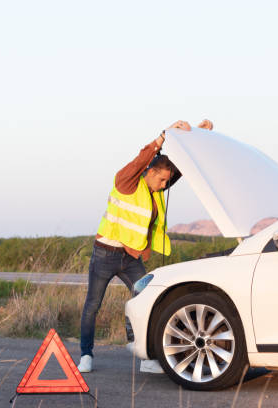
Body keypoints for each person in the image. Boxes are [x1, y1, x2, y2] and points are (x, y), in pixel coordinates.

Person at [78, 119, 214, 373]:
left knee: (151, 301)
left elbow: (179, 169)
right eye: (162, 180)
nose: (165, 185)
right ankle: (86, 355)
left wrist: (196, 136)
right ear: (150, 172)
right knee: (92, 305)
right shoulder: (126, 182)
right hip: (105, 254)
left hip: (131, 259)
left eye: (167, 182)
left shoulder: (156, 191)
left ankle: (147, 359)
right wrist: (163, 137)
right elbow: (140, 160)